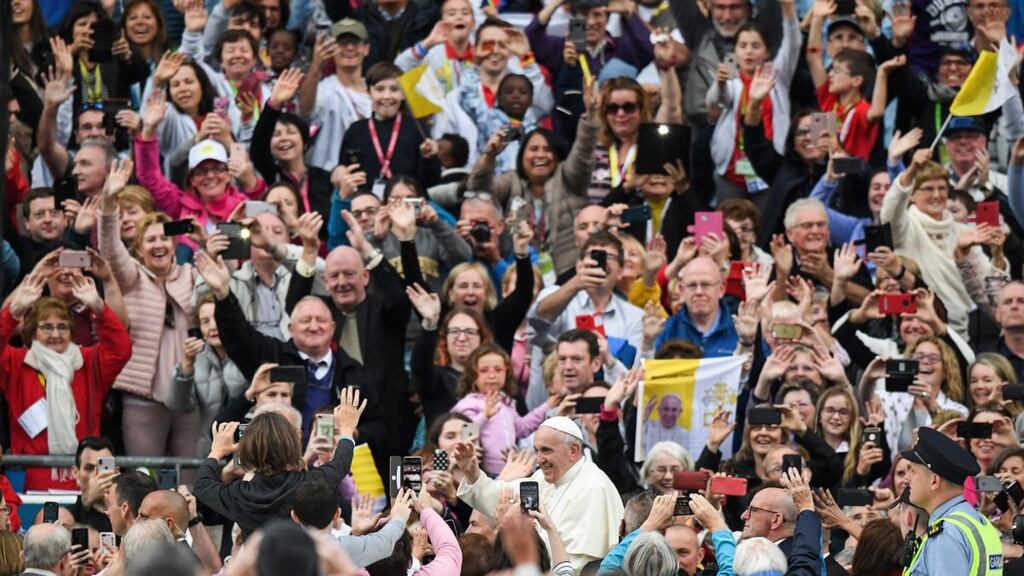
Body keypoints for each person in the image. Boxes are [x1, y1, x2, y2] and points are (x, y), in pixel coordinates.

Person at [98, 160, 203, 459]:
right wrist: (107, 203)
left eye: (164, 239)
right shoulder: (132, 277)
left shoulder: (190, 274)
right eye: (150, 240)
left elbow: (222, 286)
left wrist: (206, 243)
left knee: (190, 481)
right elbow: (110, 249)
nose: (158, 245)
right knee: (144, 480)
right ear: (140, 248)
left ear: (174, 244)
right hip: (142, 398)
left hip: (188, 397)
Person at [0, 273, 131, 492]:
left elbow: (121, 348)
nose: (55, 334)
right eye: (47, 327)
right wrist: (13, 313)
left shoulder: (87, 361)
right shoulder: (16, 362)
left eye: (62, 327)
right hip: (32, 472)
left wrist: (98, 308)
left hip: (85, 472)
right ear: (32, 331)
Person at [454, 416, 624, 571]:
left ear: (573, 451)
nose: (539, 459)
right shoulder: (545, 477)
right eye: (537, 451)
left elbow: (570, 567)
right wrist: (473, 475)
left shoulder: (594, 488)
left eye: (546, 450)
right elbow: (503, 495)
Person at [194, 388, 364, 538]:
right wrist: (347, 430)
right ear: (294, 443)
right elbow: (340, 465)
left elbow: (202, 485)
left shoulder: (238, 494)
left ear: (246, 449)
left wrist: (216, 452)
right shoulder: (307, 483)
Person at [902, 426, 1004, 574]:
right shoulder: (978, 521)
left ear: (934, 481)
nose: (907, 478)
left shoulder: (946, 534)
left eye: (913, 471)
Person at [68, 436, 116, 532]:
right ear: (75, 473)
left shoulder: (128, 512)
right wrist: (86, 500)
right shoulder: (69, 516)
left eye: (104, 468)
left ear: (116, 472)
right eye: (89, 468)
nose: (96, 475)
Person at [104, 471, 157, 537]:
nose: (107, 512)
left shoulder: (136, 546)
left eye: (110, 504)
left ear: (124, 508)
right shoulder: (154, 541)